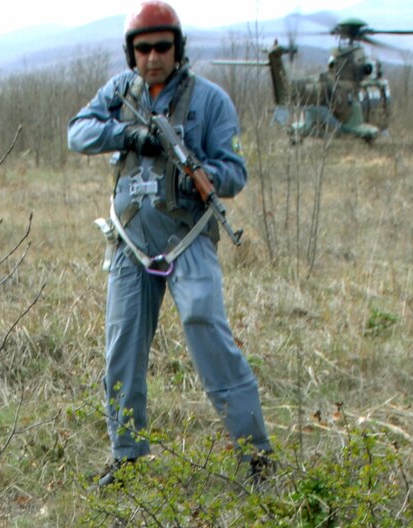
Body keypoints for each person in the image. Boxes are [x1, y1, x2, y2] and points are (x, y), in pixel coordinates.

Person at [69, 1, 273, 489]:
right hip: (132, 241)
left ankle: (256, 454)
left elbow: (235, 173)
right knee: (122, 345)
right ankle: (128, 455)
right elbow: (79, 133)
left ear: (177, 49)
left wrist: (199, 174)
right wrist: (131, 135)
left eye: (162, 47)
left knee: (209, 330)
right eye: (143, 48)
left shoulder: (211, 102)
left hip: (187, 239)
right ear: (131, 53)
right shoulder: (118, 93)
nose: (153, 57)